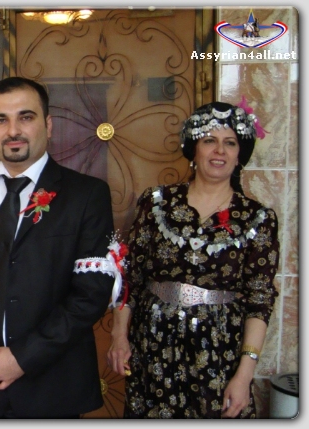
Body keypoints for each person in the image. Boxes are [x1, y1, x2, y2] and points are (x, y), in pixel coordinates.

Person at [0, 76, 116, 418]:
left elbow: (90, 296)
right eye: (1, 120)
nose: (13, 130)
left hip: (49, 387)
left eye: (25, 117)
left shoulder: (86, 195)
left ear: (48, 125)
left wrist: (22, 358)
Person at [106, 101, 280, 418]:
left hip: (220, 351)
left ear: (239, 154)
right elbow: (130, 277)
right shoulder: (156, 203)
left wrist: (244, 375)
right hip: (154, 345)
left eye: (230, 143)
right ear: (194, 149)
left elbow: (260, 299)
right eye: (209, 140)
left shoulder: (257, 218)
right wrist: (119, 337)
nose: (220, 151)